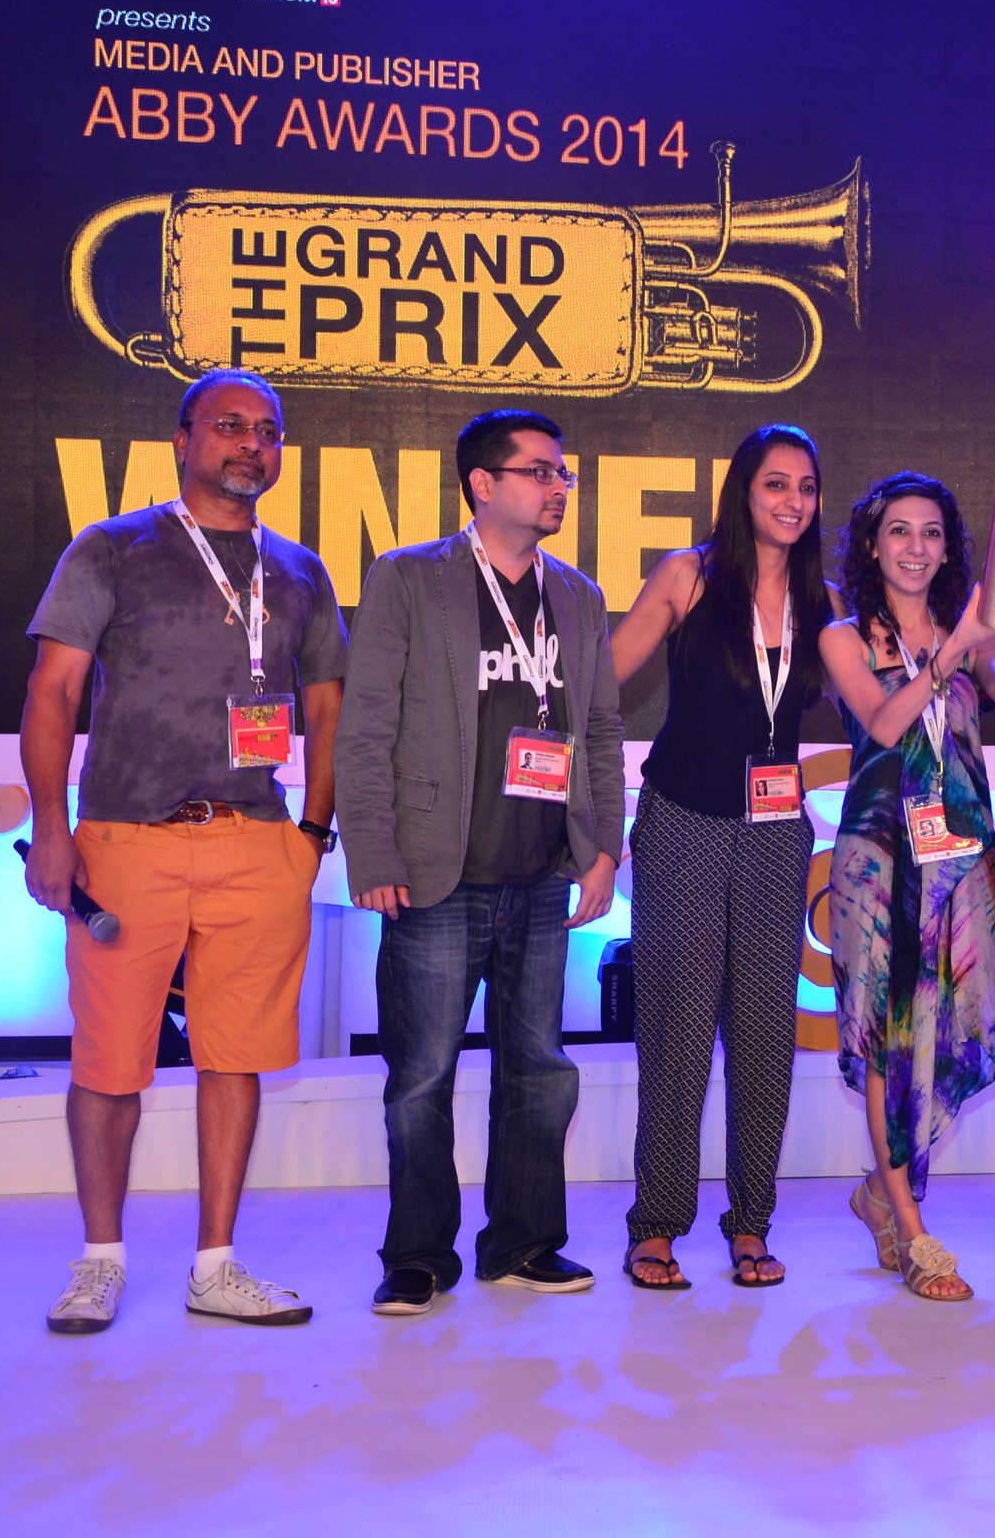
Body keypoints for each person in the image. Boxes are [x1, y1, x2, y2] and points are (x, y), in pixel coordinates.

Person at [21, 367, 346, 1333]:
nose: (252, 444)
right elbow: (52, 692)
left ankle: (216, 1267)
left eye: (268, 430)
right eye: (231, 425)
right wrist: (52, 827)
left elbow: (329, 708)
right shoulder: (112, 548)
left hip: (258, 841)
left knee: (235, 1058)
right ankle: (99, 1263)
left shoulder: (301, 571)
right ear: (183, 439)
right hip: (128, 841)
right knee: (109, 1063)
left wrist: (312, 833)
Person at [338, 409, 625, 1315]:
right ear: (483, 485)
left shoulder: (578, 596)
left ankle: (523, 1244)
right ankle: (418, 1257)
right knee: (421, 1078)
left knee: (537, 1070)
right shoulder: (408, 578)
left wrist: (603, 851)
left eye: (562, 473)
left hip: (541, 877)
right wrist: (372, 851)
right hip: (435, 874)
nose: (559, 487)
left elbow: (601, 734)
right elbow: (365, 726)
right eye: (540, 472)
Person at [608, 424, 831, 1291]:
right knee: (678, 1030)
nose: (792, 501)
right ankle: (658, 1225)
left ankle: (751, 1225)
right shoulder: (687, 576)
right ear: (743, 490)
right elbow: (600, 680)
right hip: (683, 821)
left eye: (806, 487)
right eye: (776, 484)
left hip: (777, 833)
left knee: (766, 1034)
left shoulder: (823, 599)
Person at [820, 471, 995, 1300]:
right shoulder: (843, 637)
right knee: (887, 1033)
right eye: (900, 532)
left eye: (933, 533)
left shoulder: (964, 632)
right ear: (872, 545)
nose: (917, 547)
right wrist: (956, 647)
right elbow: (883, 723)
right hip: (879, 862)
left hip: (962, 858)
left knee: (945, 1029)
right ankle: (913, 1232)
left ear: (949, 550)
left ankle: (882, 1194)